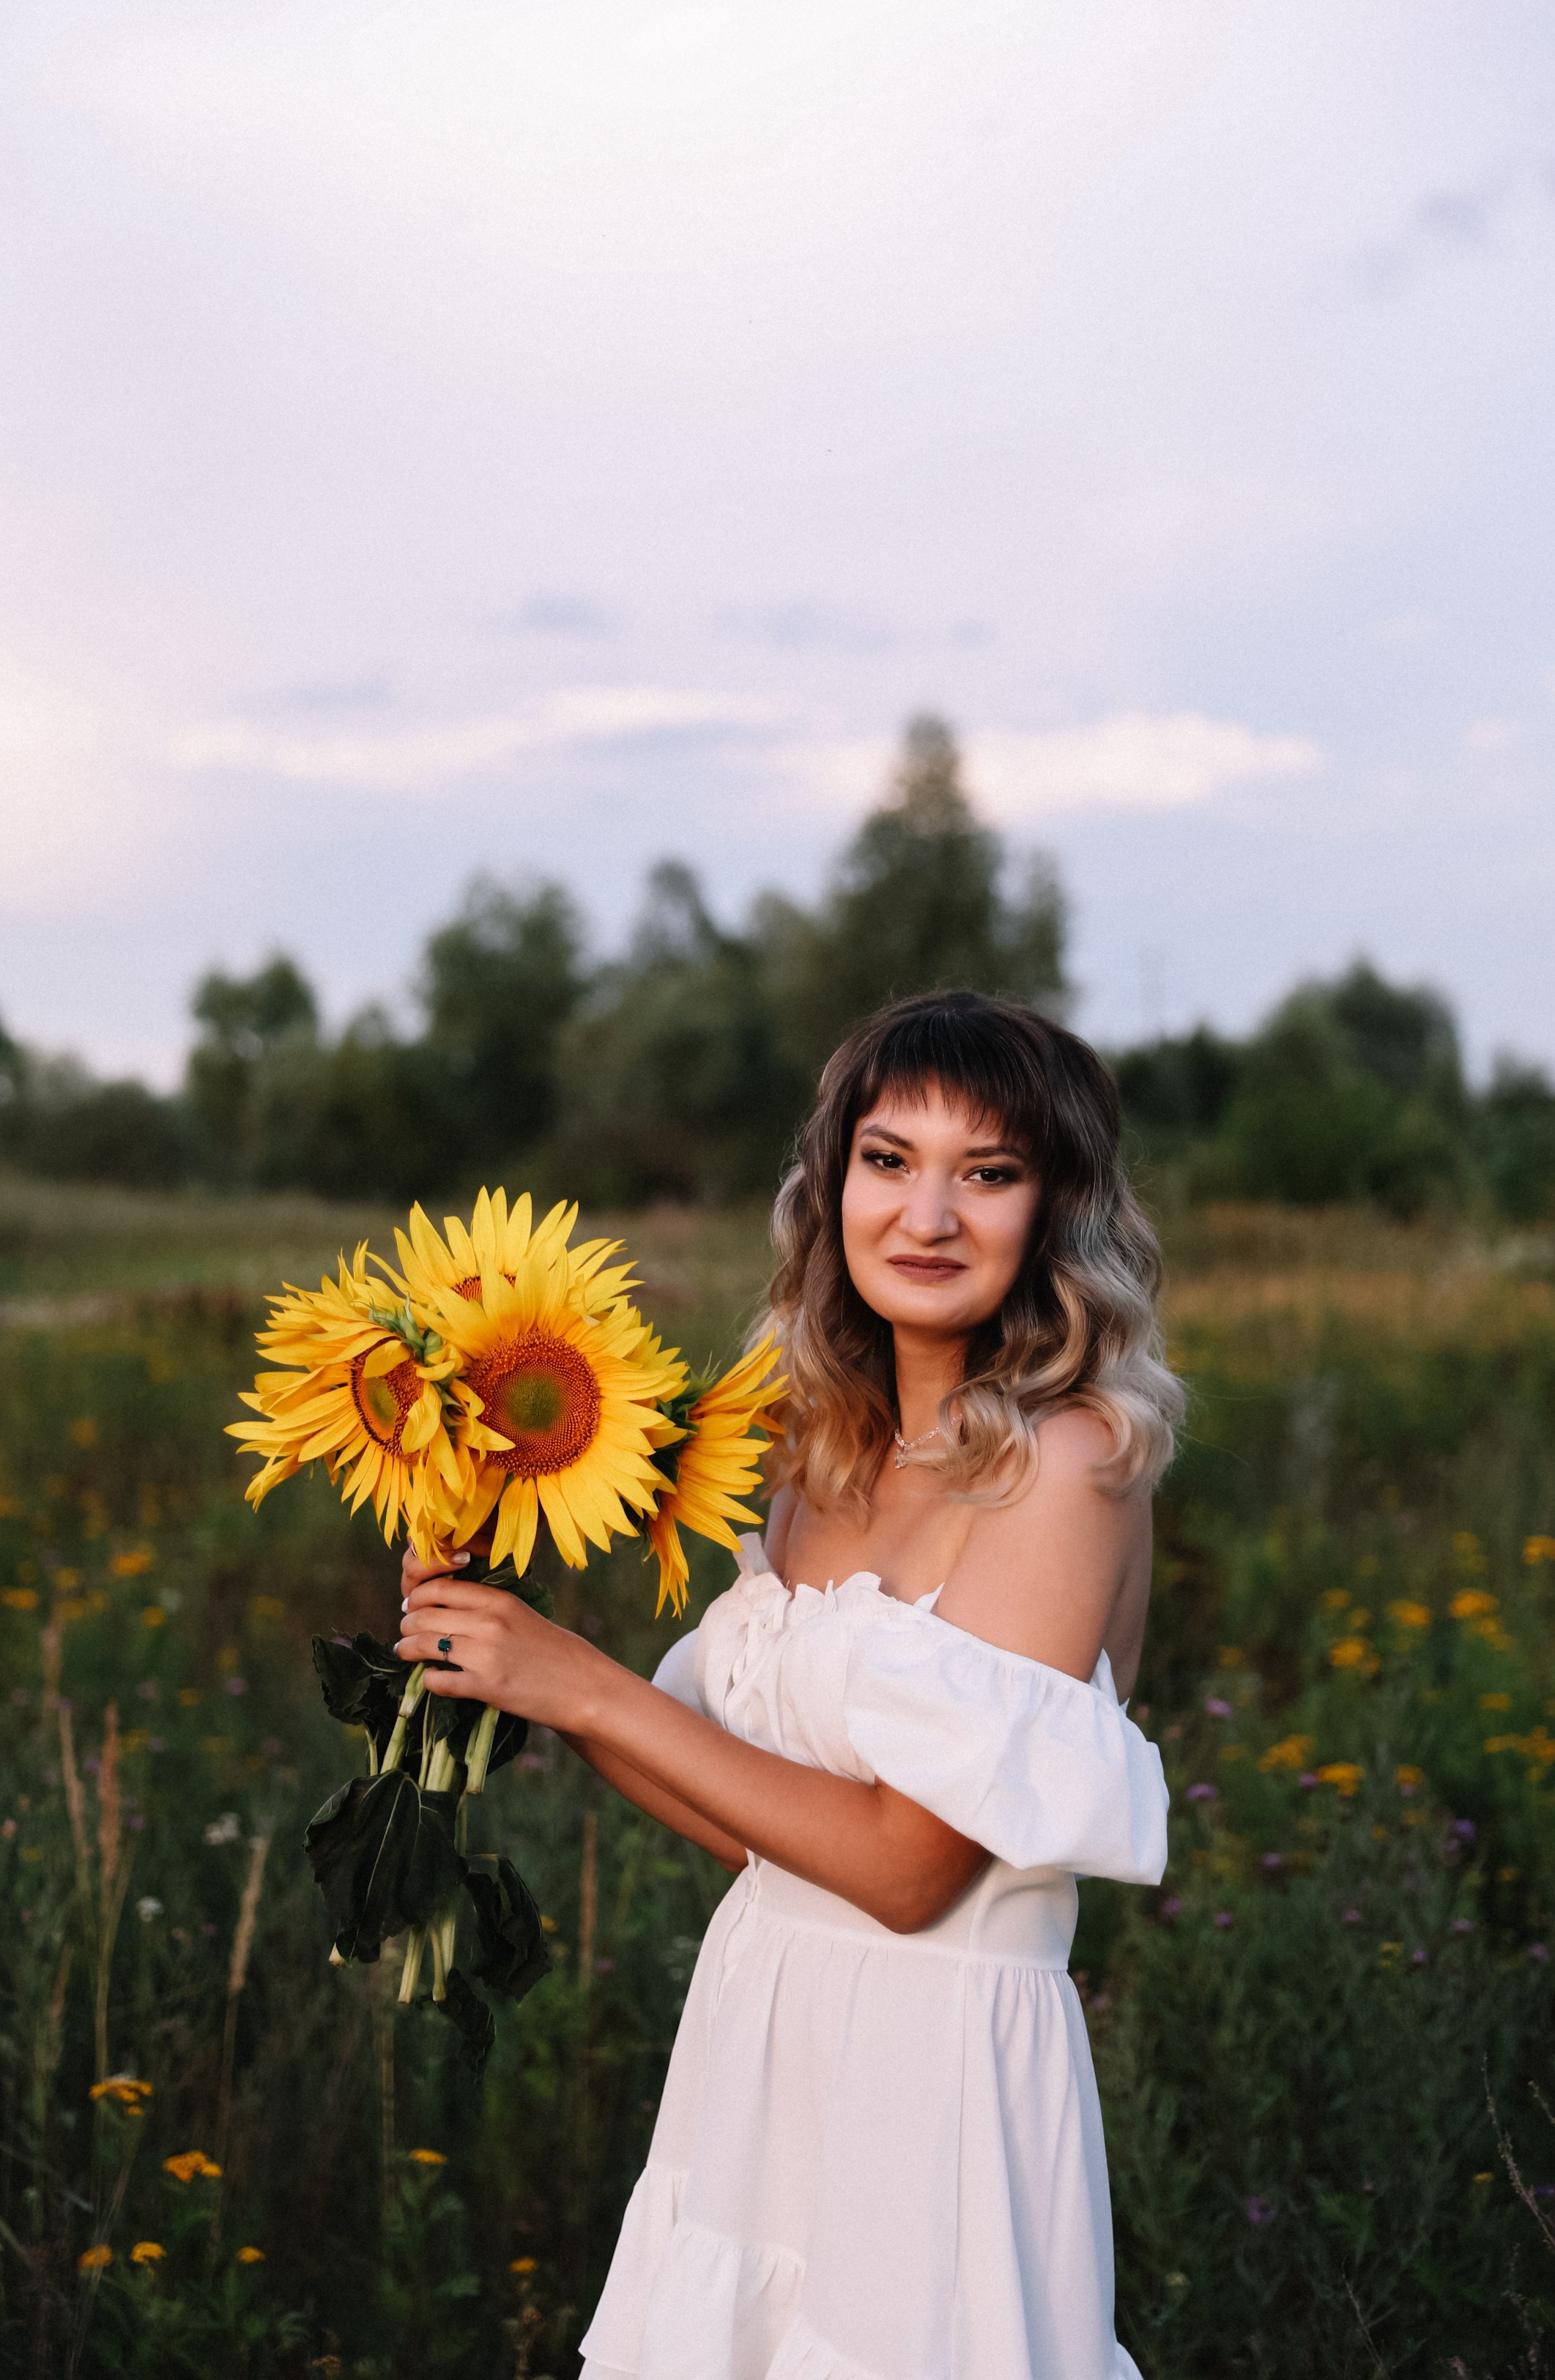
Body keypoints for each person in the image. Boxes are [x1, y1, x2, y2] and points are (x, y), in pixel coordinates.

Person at [396, 990, 1182, 2380]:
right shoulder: (817, 1450)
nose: (928, 1216)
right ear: (832, 1191)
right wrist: (512, 1654)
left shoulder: (1071, 1463)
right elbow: (761, 1832)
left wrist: (581, 1686)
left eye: (987, 1173)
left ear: (1056, 1209)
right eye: (890, 1162)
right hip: (761, 2048)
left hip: (931, 2091)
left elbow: (905, 1875)